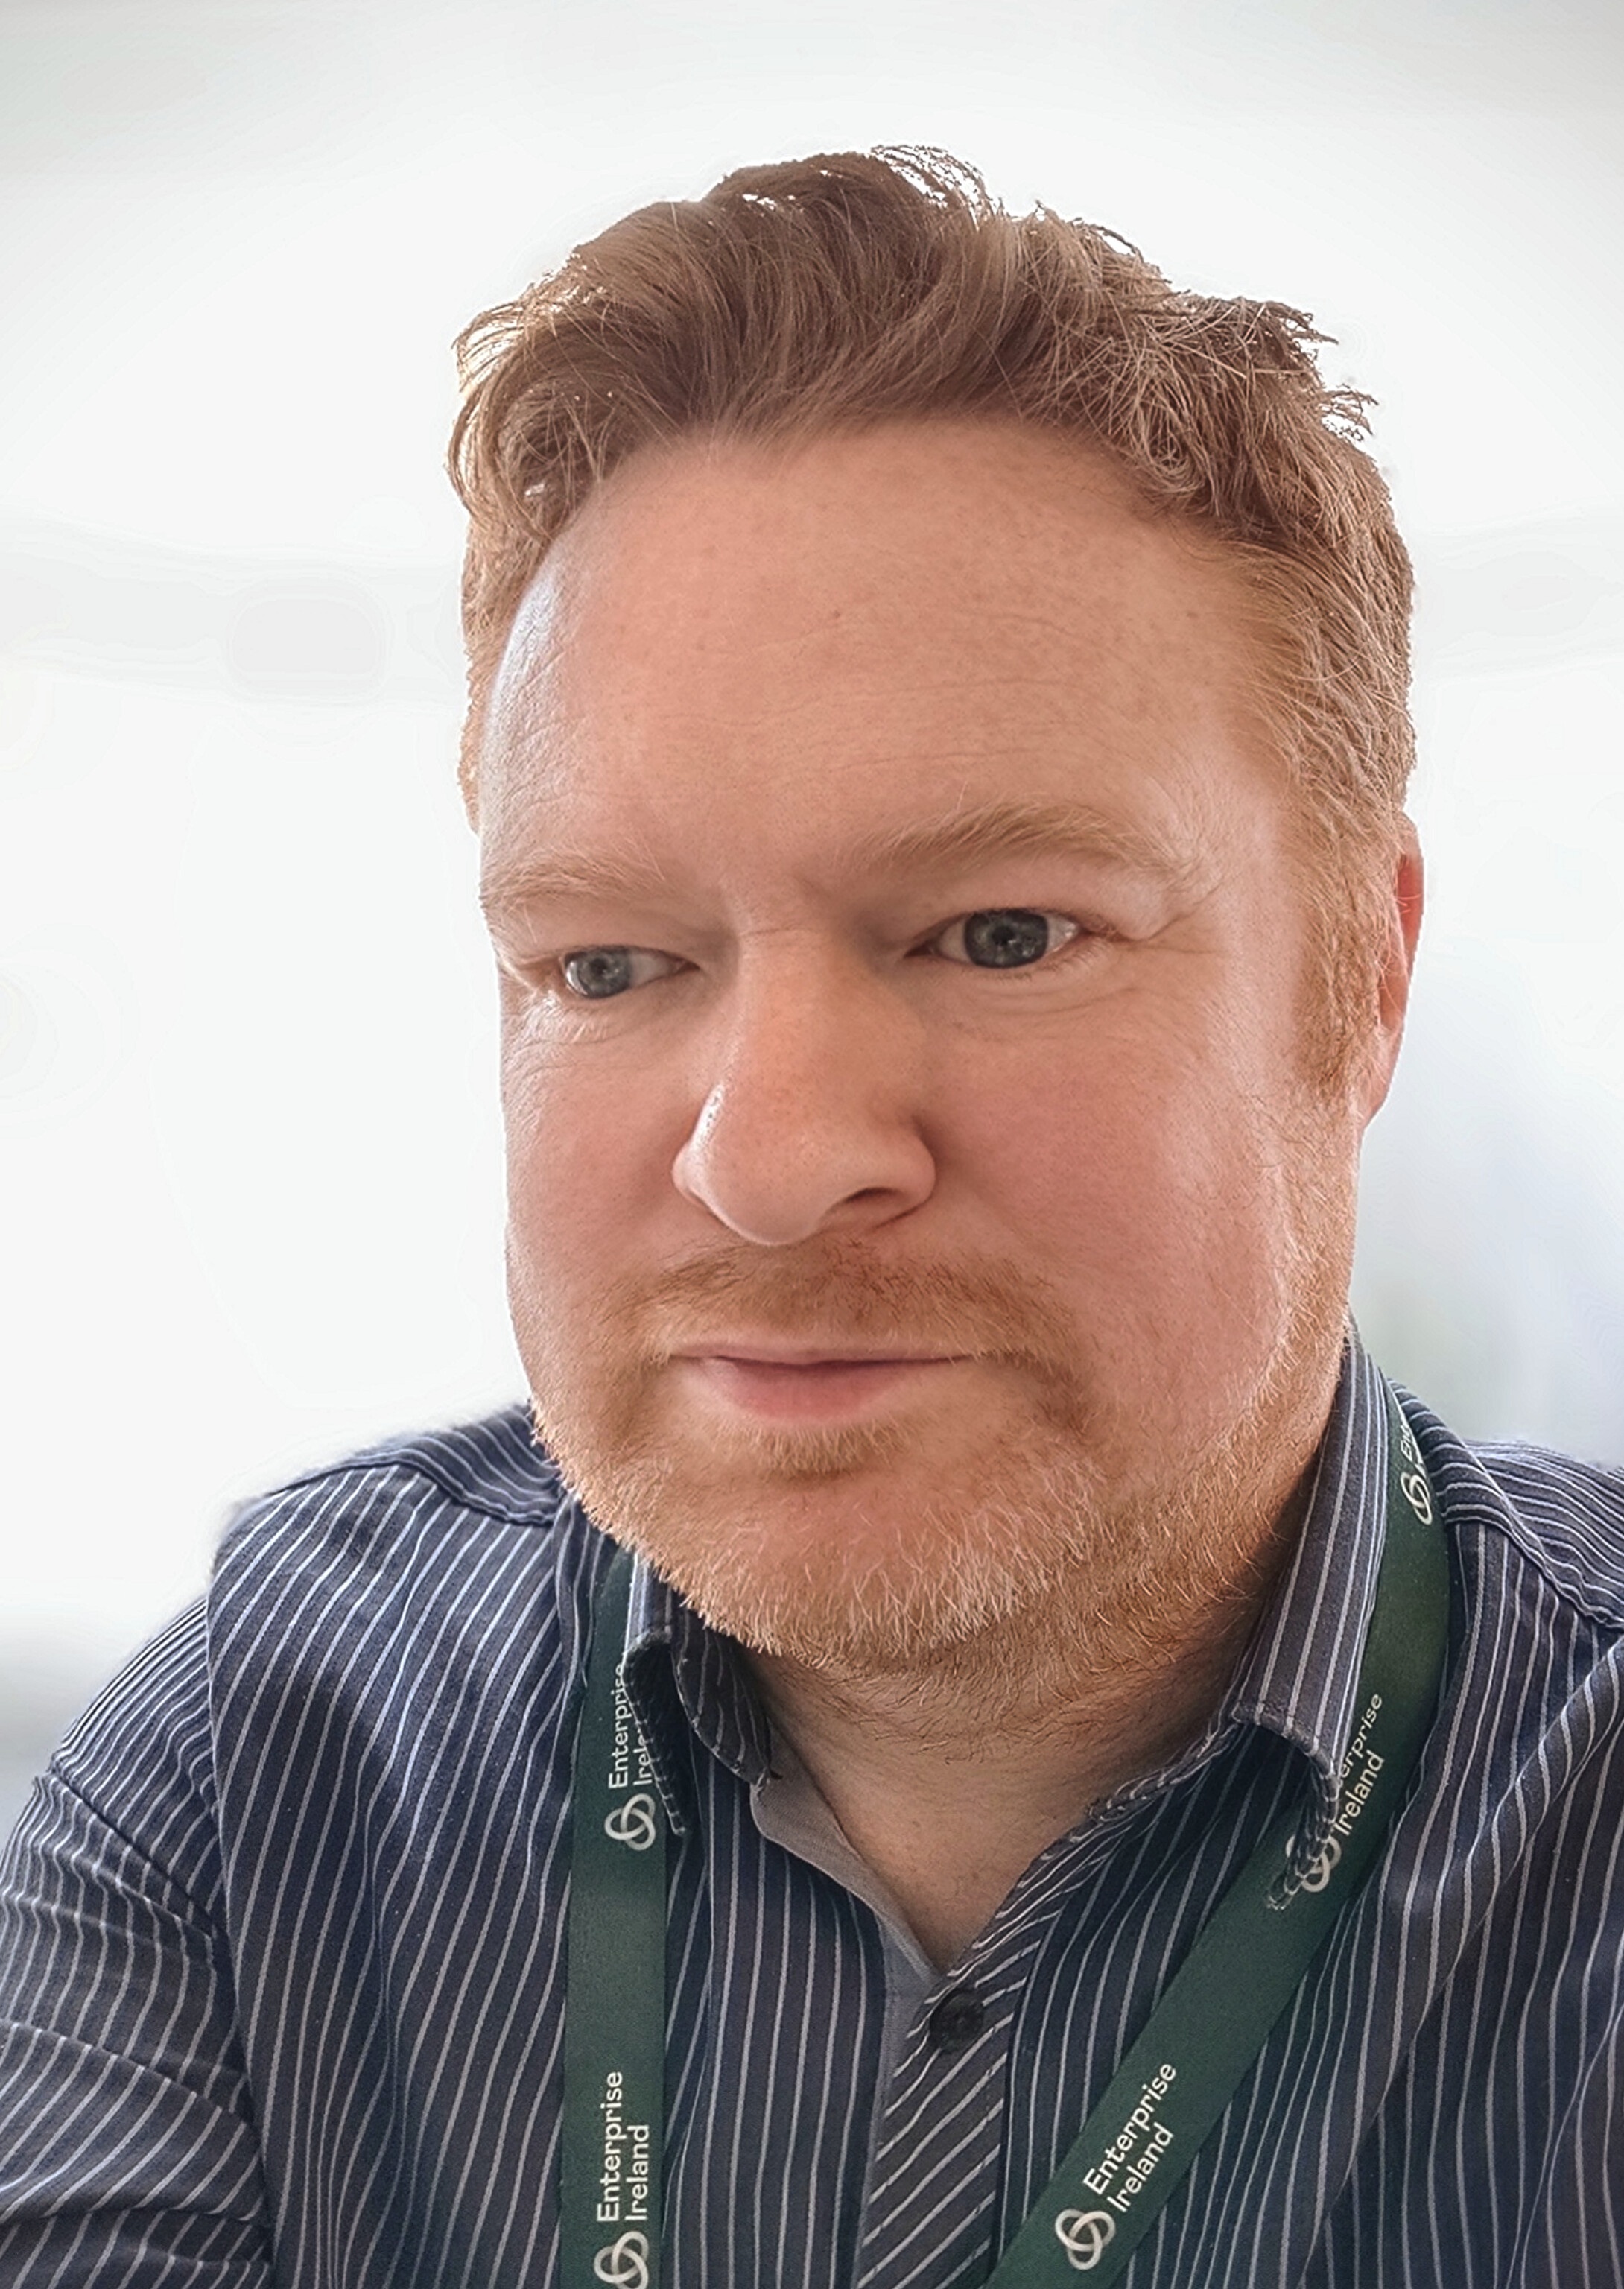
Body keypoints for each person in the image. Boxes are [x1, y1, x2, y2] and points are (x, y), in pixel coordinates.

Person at [1, 145, 1620, 2289]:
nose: (765, 1159)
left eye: (1000, 932)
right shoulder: (259, 1782)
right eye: (608, 965)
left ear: (1363, 971)